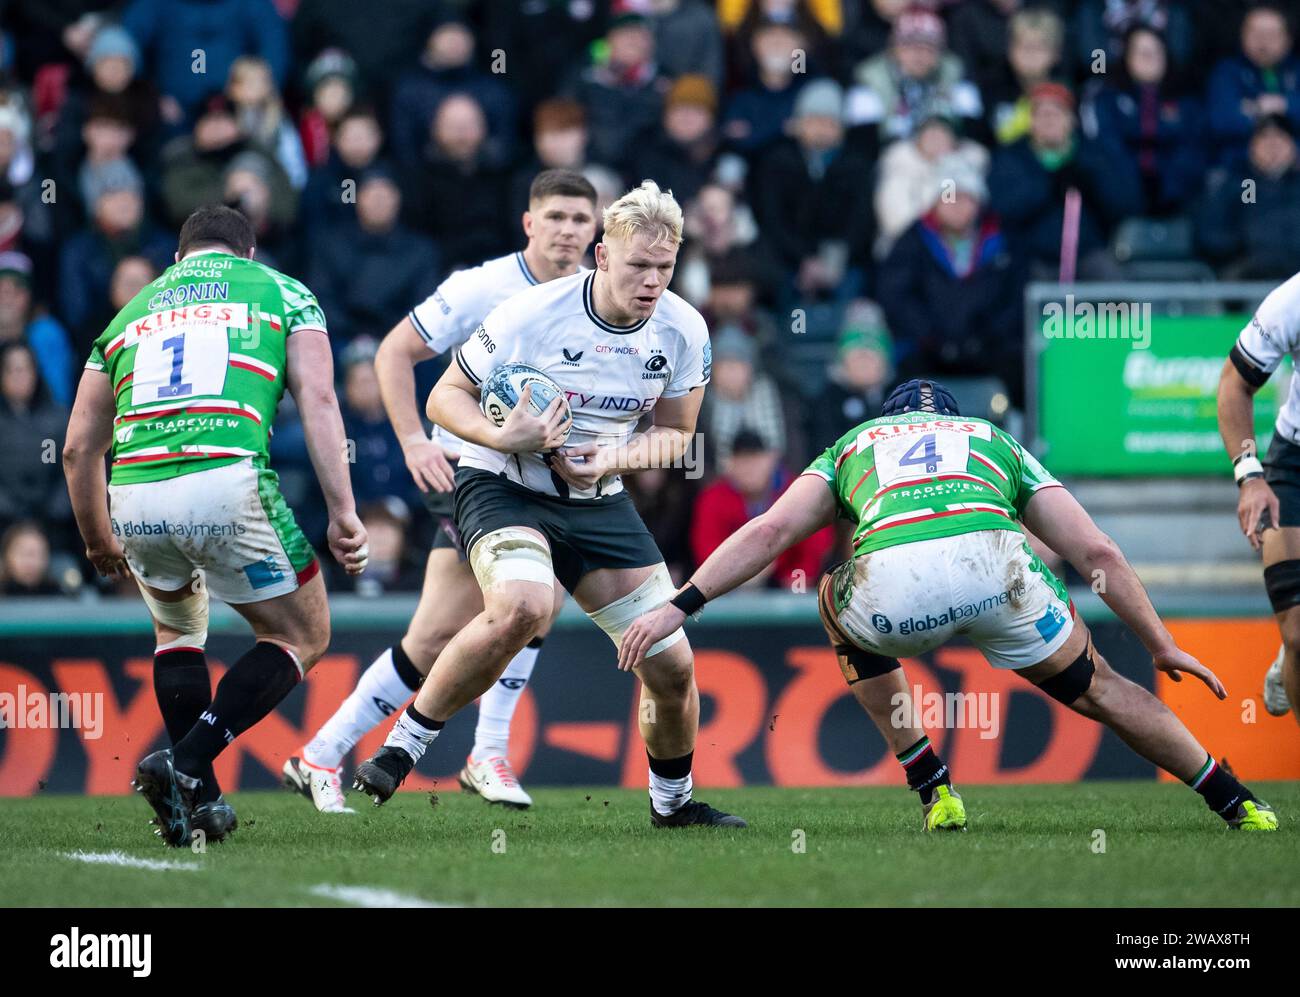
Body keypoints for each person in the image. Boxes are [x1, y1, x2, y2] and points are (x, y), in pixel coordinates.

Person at [621, 379, 1280, 833]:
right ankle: (1235, 801)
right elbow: (1097, 551)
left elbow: (767, 533)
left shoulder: (856, 442)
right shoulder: (995, 438)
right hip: (998, 574)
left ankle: (934, 788)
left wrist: (683, 604)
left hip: (891, 594)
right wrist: (1161, 643)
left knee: (829, 597)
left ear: (892, 416)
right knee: (1103, 687)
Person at [352, 181, 747, 830]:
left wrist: (611, 459)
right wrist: (502, 435)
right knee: (524, 604)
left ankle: (672, 807)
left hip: (597, 497)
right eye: (638, 265)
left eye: (665, 266)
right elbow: (444, 398)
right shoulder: (531, 313)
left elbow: (677, 435)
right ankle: (407, 744)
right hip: (502, 482)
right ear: (600, 256)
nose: (652, 281)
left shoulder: (684, 328)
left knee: (670, 662)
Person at [285, 170, 598, 813]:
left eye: (580, 219)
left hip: (543, 479)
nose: (568, 230)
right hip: (468, 469)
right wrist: (413, 441)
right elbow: (394, 353)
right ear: (529, 223)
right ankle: (485, 752)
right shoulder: (481, 286)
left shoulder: (597, 300)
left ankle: (319, 753)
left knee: (448, 633)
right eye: (556, 217)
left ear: (596, 232)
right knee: (524, 600)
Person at [62, 205, 368, 847]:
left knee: (176, 633)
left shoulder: (128, 315)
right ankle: (185, 764)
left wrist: (96, 537)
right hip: (226, 482)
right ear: (246, 256)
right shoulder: (282, 291)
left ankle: (194, 801)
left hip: (137, 495)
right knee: (303, 634)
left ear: (178, 261)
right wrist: (343, 513)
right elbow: (318, 400)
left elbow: (77, 448)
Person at [1216, 271, 1300, 726]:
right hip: (1296, 461)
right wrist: (1250, 478)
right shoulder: (1295, 298)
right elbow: (1234, 383)